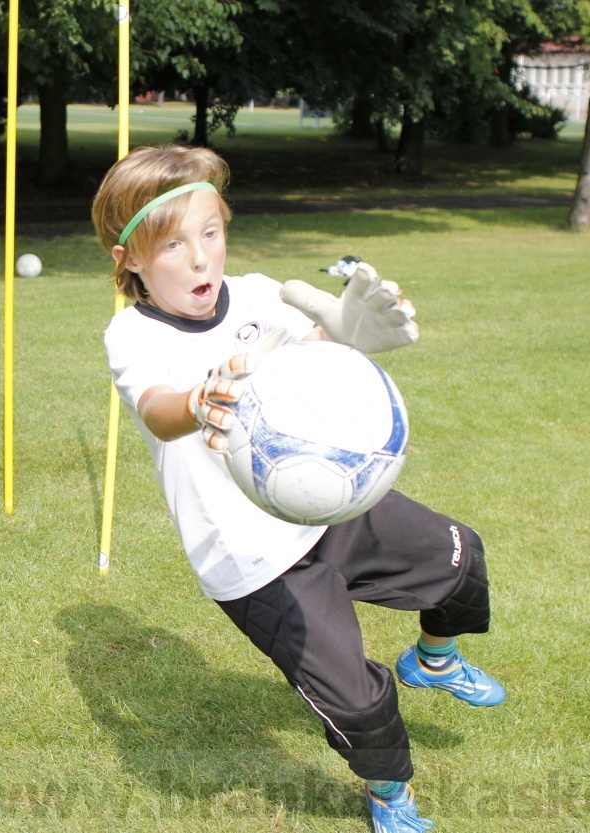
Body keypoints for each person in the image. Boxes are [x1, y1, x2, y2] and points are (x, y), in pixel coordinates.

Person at [92, 145, 505, 833]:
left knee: (460, 558)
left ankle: (433, 659)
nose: (201, 258)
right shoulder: (132, 334)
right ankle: (389, 794)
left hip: (330, 502)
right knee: (357, 698)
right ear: (128, 257)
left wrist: (349, 337)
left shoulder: (256, 292)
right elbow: (160, 410)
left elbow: (322, 349)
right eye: (173, 244)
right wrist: (202, 396)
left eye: (211, 232)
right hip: (255, 560)